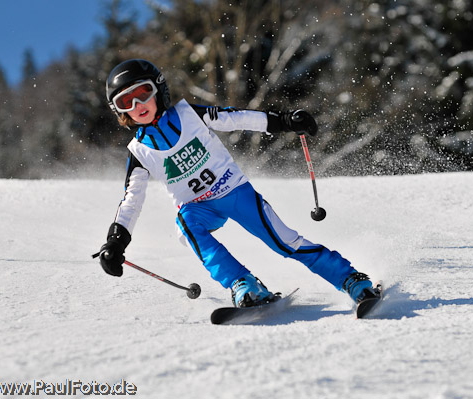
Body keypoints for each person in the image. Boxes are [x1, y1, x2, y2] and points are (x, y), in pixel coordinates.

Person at [97, 59, 379, 308]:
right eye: (126, 102)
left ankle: (351, 279)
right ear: (119, 111)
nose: (137, 106)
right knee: (185, 226)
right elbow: (132, 199)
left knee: (284, 242)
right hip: (198, 208)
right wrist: (116, 241)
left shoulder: (190, 115)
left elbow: (237, 118)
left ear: (158, 89)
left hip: (232, 191)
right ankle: (243, 284)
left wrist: (284, 121)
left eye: (143, 94)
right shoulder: (140, 151)